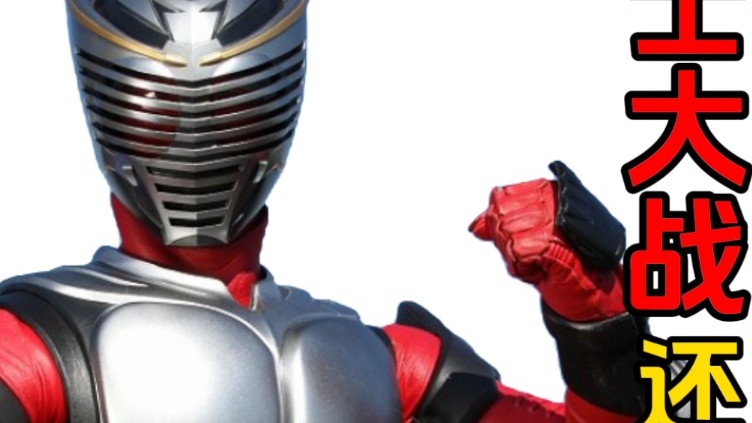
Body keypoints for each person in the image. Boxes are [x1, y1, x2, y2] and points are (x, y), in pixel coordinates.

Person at [0, 1, 647, 421]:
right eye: (157, 110)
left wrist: (596, 315)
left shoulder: (388, 362)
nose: (197, 135)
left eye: (235, 103)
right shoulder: (32, 346)